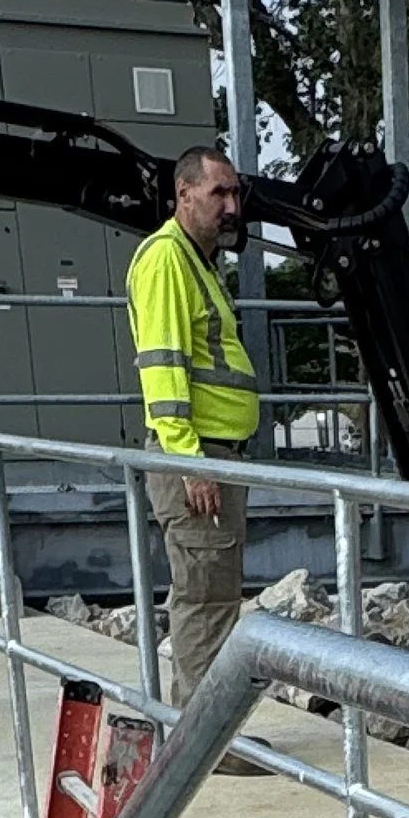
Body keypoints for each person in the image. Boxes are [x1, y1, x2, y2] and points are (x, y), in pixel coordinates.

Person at [126, 147, 260, 698]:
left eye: (235, 194)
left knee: (215, 597)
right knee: (205, 600)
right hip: (198, 454)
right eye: (218, 193)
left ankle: (206, 727)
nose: (231, 206)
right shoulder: (167, 260)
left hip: (213, 454)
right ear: (183, 195)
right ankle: (199, 730)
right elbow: (163, 368)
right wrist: (190, 461)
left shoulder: (195, 261)